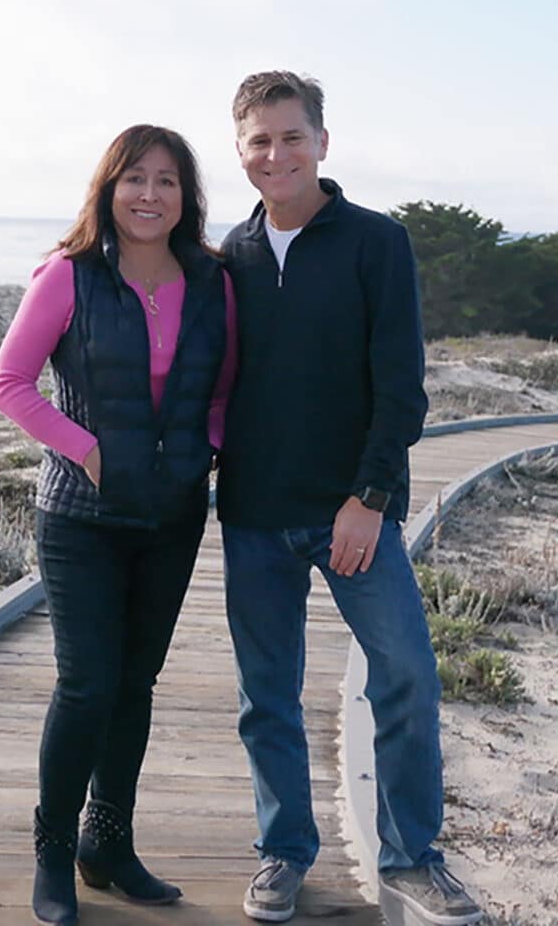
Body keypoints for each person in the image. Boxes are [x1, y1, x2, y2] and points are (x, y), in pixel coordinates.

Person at [217, 71, 482, 926]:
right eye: (260, 139)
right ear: (241, 152)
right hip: (255, 513)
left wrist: (368, 497)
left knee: (405, 673)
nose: (276, 152)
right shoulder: (234, 253)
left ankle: (410, 857)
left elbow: (400, 388)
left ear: (322, 142)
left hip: (354, 513)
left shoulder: (377, 241)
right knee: (268, 694)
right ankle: (284, 852)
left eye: (292, 135)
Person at [0, 124, 236, 926]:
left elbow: (223, 392)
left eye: (167, 181)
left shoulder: (213, 282)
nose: (149, 195)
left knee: (136, 685)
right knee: (88, 683)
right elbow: (10, 383)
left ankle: (109, 843)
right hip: (81, 517)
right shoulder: (69, 276)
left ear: (186, 197)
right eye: (135, 179)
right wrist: (86, 449)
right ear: (108, 187)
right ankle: (54, 853)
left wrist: (212, 449)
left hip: (171, 516)